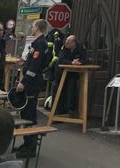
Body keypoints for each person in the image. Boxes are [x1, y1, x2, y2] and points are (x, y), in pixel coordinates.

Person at [14, 19, 49, 160]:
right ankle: (27, 143)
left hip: (31, 83)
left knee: (29, 114)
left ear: (38, 28)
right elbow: (34, 62)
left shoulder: (40, 44)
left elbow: (35, 67)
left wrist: (23, 82)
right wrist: (24, 62)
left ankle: (31, 147)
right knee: (25, 113)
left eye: (33, 25)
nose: (31, 27)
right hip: (32, 81)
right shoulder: (38, 43)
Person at [52, 35, 87, 115]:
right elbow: (61, 60)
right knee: (59, 91)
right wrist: (71, 62)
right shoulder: (64, 47)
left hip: (72, 73)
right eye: (66, 42)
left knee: (72, 90)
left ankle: (71, 110)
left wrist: (80, 62)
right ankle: (57, 112)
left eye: (68, 42)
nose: (66, 43)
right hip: (61, 72)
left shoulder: (80, 48)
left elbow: (85, 59)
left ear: (74, 43)